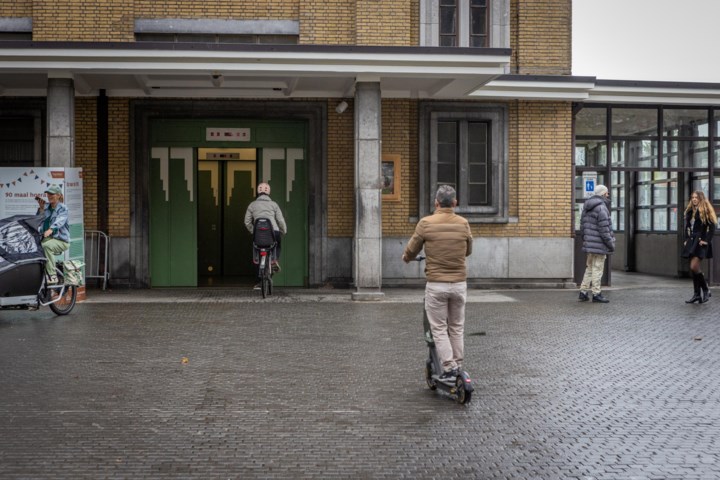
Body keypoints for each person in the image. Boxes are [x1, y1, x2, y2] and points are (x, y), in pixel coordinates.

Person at [402, 185, 472, 380]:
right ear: (455, 203)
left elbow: (412, 248)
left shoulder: (426, 223)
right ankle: (458, 365)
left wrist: (406, 257)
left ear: (436, 203)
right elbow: (468, 250)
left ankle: (448, 367)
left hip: (437, 284)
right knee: (456, 327)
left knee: (439, 328)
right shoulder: (463, 223)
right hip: (459, 283)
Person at [578, 184, 615, 303]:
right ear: (603, 194)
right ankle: (596, 293)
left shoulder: (587, 207)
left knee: (589, 268)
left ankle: (583, 292)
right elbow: (605, 230)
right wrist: (611, 244)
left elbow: (582, 226)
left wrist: (586, 240)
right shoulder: (601, 208)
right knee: (597, 269)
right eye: (607, 193)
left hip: (590, 244)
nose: (608, 195)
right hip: (599, 245)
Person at [681, 190, 716, 304]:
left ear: (701, 198)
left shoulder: (705, 210)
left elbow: (712, 227)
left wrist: (706, 241)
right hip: (692, 241)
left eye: (696, 197)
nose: (694, 199)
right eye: (692, 197)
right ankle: (697, 294)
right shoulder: (690, 211)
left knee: (694, 266)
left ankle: (705, 290)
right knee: (693, 268)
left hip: (701, 241)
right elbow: (686, 227)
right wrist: (686, 239)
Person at [244, 182, 287, 273]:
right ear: (269, 192)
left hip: (258, 233)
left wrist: (253, 231)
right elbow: (281, 220)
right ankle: (274, 260)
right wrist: (282, 231)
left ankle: (257, 259)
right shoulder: (274, 204)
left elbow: (247, 222)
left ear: (258, 192)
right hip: (273, 232)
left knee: (256, 247)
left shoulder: (252, 205)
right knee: (277, 244)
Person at [35, 185, 70, 284]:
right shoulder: (46, 208)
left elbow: (60, 221)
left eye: (52, 194)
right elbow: (38, 220)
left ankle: (52, 275)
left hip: (61, 240)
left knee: (46, 246)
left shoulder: (63, 208)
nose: (49, 196)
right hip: (46, 238)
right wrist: (41, 209)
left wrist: (51, 229)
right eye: (48, 194)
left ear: (58, 195)